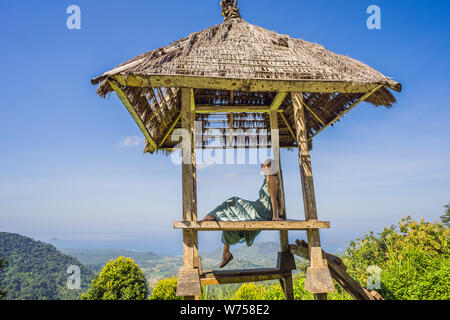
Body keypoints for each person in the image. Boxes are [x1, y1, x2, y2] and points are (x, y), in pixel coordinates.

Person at [201, 159, 284, 268]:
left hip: (263, 211)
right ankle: (226, 253)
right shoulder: (267, 179)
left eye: (264, 165)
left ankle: (211, 215)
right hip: (260, 208)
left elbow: (273, 198)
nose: (261, 167)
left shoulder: (271, 178)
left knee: (233, 201)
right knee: (230, 219)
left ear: (269, 167)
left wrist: (274, 217)